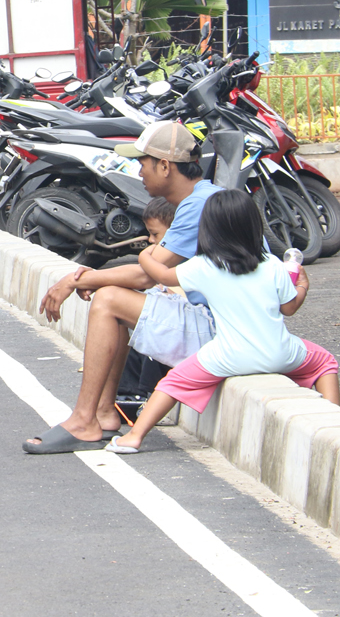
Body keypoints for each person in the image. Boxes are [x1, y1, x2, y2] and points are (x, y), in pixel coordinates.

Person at [23, 120, 220, 454]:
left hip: (220, 330)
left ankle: (85, 418)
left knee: (110, 299)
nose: (138, 170)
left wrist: (75, 279)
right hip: (223, 321)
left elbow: (147, 275)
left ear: (164, 166)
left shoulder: (198, 205)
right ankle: (102, 413)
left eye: (142, 162)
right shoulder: (203, 197)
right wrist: (86, 278)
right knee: (114, 297)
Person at [108, 190, 338, 454]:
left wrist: (144, 256)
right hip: (280, 352)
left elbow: (163, 275)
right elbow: (289, 307)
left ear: (208, 229)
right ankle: (331, 427)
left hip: (228, 356)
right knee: (325, 362)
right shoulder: (272, 264)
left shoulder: (204, 265)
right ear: (254, 227)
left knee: (172, 383)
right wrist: (303, 287)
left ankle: (134, 437)